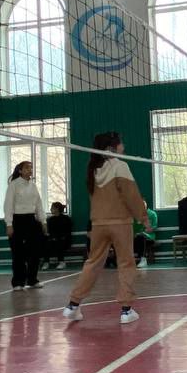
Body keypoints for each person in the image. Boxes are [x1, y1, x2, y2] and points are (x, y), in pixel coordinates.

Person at [65, 132, 150, 325]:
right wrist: (143, 218)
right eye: (121, 143)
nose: (123, 145)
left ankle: (72, 305)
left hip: (98, 224)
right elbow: (132, 196)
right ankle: (126, 310)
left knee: (92, 263)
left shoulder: (93, 170)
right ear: (112, 148)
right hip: (120, 223)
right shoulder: (120, 166)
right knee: (126, 263)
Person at [3, 161, 46, 290]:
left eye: (31, 168)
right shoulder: (13, 185)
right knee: (18, 253)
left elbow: (39, 205)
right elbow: (8, 205)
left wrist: (43, 221)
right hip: (17, 220)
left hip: (31, 220)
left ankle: (32, 280)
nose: (30, 170)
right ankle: (18, 282)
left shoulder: (33, 186)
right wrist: (9, 224)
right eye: (27, 168)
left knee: (35, 252)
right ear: (20, 170)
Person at [44, 202, 73, 269]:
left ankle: (61, 262)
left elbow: (67, 232)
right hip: (53, 240)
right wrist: (52, 237)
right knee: (46, 243)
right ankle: (46, 262)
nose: (50, 209)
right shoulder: (50, 220)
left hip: (64, 240)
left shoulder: (66, 219)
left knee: (59, 242)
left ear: (57, 209)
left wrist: (58, 237)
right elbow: (50, 232)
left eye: (52, 208)